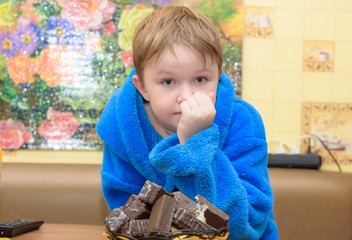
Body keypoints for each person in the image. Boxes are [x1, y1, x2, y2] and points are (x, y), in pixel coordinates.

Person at [96, 5, 278, 240]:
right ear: (143, 88)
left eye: (200, 79)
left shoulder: (243, 123)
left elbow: (245, 225)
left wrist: (195, 143)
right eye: (168, 82)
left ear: (219, 76)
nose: (186, 96)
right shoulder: (122, 128)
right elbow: (125, 218)